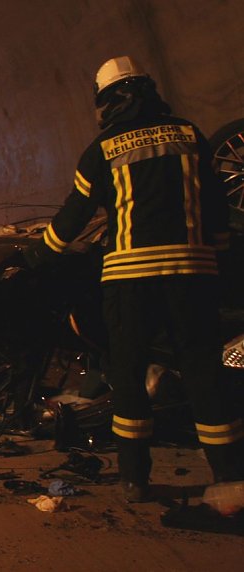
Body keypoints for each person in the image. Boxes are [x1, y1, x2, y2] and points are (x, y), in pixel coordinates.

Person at [25, 56, 243, 503]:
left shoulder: (102, 149)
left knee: (127, 373)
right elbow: (216, 205)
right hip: (192, 275)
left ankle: (134, 479)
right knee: (203, 372)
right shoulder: (190, 135)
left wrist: (39, 252)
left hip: (130, 280)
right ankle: (227, 473)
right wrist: (218, 254)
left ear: (105, 100)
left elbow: (74, 215)